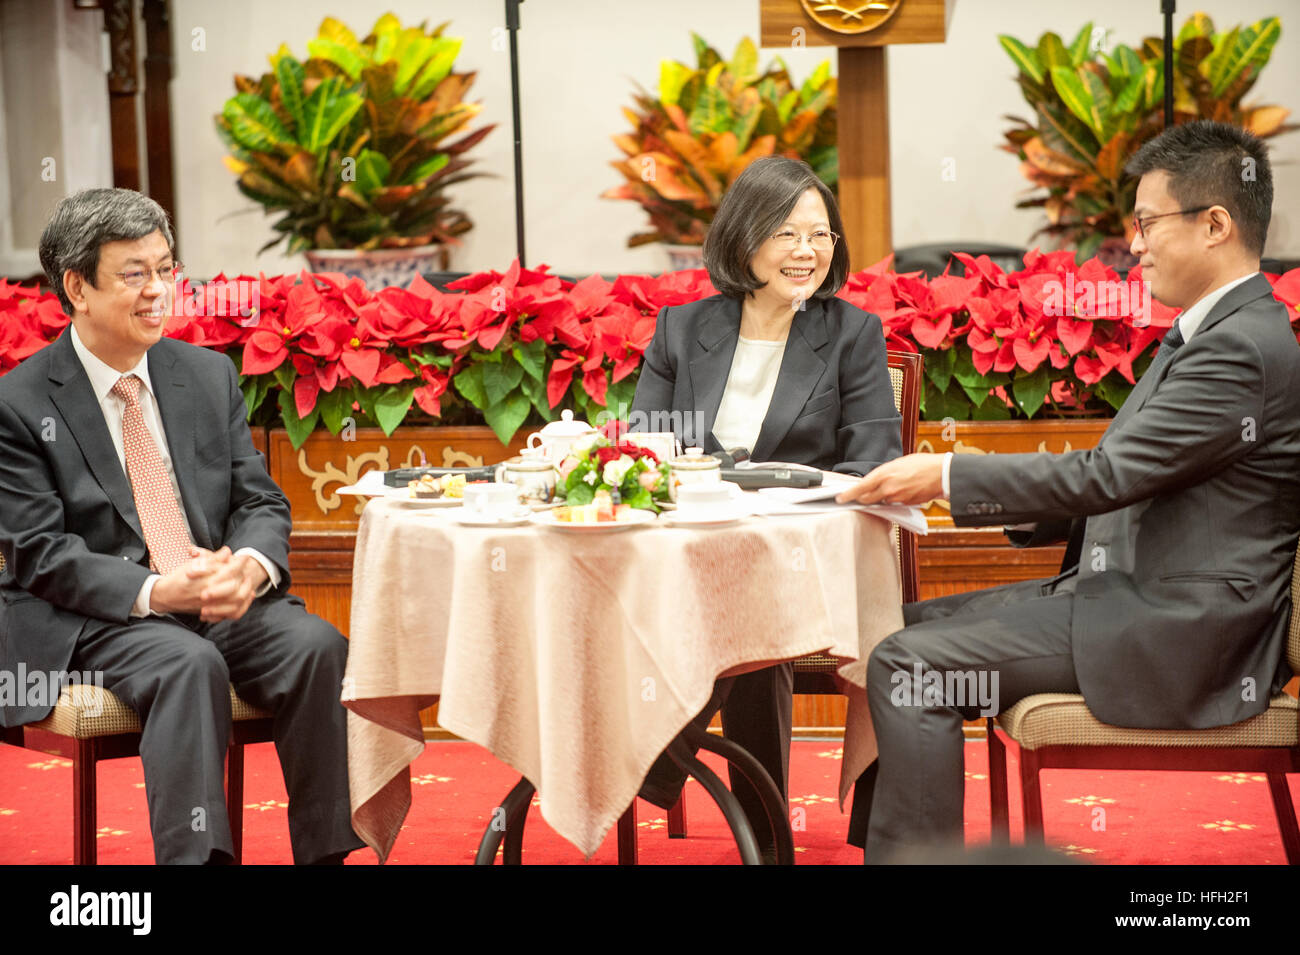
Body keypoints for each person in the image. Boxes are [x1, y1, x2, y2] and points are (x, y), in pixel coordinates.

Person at [835, 120, 1300, 862]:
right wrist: (962, 490)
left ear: (1215, 224)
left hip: (1179, 631)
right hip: (1132, 598)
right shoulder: (1219, 332)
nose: (1135, 245)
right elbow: (1120, 471)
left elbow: (1107, 477)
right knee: (891, 627)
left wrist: (951, 474)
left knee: (908, 666)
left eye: (1147, 223)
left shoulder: (1241, 347)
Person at [0, 188, 364, 865]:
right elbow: (40, 553)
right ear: (76, 286)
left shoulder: (205, 374)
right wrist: (160, 591)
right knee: (188, 662)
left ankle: (327, 857)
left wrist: (246, 568)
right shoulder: (19, 404)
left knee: (317, 645)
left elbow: (260, 501)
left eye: (166, 268)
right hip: (96, 616)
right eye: (134, 273)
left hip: (214, 595)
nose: (159, 290)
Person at [629, 156, 902, 856]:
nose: (807, 251)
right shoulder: (681, 331)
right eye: (786, 233)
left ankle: (650, 760)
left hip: (797, 556)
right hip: (688, 550)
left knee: (756, 613)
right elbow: (645, 452)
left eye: (821, 235)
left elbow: (873, 462)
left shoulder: (850, 335)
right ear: (743, 239)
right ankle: (760, 830)